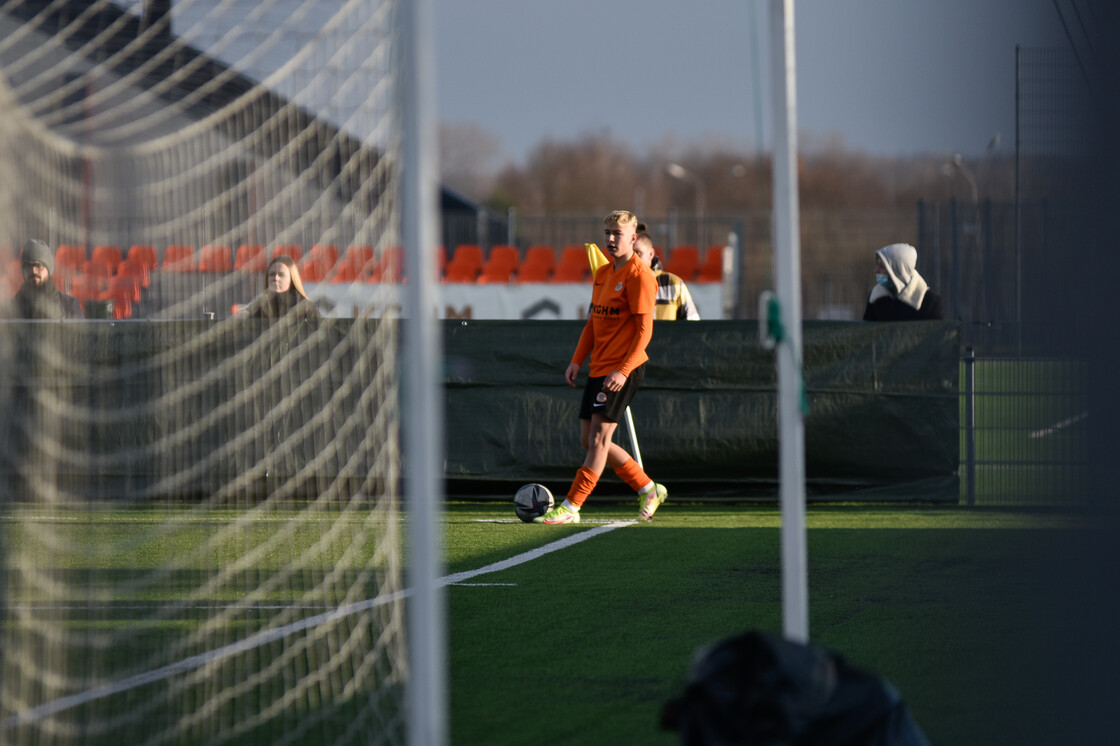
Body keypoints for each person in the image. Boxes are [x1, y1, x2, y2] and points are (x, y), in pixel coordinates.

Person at [535, 209, 668, 524]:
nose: (610, 239)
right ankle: (648, 488)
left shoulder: (640, 276)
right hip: (599, 367)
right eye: (607, 233)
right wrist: (577, 360)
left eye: (617, 234)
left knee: (598, 441)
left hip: (624, 369)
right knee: (590, 440)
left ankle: (572, 506)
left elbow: (644, 332)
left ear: (632, 238)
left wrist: (623, 371)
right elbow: (594, 323)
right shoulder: (604, 273)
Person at [3, 239, 85, 319]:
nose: (33, 271)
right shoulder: (10, 309)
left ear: (49, 269)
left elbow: (79, 332)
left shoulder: (69, 306)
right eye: (28, 266)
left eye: (38, 266)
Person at [632, 226, 701, 320]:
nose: (634, 258)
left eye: (638, 253)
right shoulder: (618, 284)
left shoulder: (673, 284)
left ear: (651, 254)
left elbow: (692, 326)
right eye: (629, 254)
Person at [862, 242, 944, 321]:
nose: (876, 270)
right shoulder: (876, 298)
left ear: (898, 271)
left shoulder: (930, 303)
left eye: (882, 267)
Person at [241, 255, 321, 319]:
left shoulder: (306, 307)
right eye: (272, 274)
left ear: (292, 279)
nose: (276, 278)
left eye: (281, 275)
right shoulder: (259, 305)